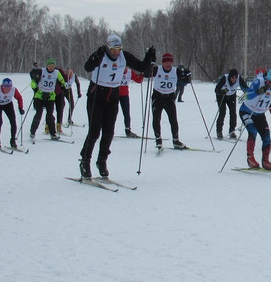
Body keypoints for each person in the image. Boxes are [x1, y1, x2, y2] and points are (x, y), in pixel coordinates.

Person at [80, 35, 154, 178]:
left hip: (113, 96)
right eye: (113, 50)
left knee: (109, 132)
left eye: (118, 49)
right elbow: (88, 67)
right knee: (94, 131)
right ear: (108, 48)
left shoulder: (124, 56)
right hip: (97, 95)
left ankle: (102, 161)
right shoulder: (101, 54)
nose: (116, 53)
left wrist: (148, 57)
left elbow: (141, 67)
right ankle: (85, 161)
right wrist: (95, 58)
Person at [239, 67, 271, 170]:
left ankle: (265, 161)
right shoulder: (258, 82)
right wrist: (257, 92)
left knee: (266, 136)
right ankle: (250, 158)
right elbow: (247, 96)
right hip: (247, 111)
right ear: (268, 80)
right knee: (252, 131)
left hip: (260, 114)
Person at [151, 53, 191, 149]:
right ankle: (158, 140)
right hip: (158, 97)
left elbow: (186, 81)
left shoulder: (175, 71)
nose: (168, 64)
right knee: (156, 119)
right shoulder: (157, 69)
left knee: (173, 120)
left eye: (170, 62)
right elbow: (145, 74)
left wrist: (187, 75)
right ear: (163, 62)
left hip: (169, 98)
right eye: (166, 62)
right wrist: (149, 64)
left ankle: (176, 140)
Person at [29, 57, 67, 140]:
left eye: (53, 66)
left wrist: (63, 86)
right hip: (40, 95)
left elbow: (62, 80)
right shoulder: (41, 71)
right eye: (50, 66)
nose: (51, 67)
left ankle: (53, 134)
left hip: (50, 96)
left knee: (50, 116)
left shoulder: (57, 72)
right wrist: (34, 88)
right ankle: (32, 132)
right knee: (38, 114)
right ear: (47, 65)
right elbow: (33, 81)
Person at [0, 78, 25, 149]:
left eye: (9, 88)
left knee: (13, 121)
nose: (7, 90)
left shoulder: (13, 89)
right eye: (5, 88)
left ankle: (13, 142)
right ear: (2, 86)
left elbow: (19, 98)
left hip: (8, 105)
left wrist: (20, 108)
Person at [214, 69, 245, 140]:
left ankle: (232, 131)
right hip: (221, 96)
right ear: (229, 76)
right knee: (222, 112)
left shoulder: (239, 78)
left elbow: (245, 88)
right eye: (232, 77)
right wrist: (223, 91)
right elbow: (216, 90)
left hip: (231, 96)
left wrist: (249, 94)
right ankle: (219, 132)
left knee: (233, 112)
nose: (234, 79)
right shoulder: (224, 78)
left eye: (235, 77)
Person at [119, 67, 144, 138]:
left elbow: (138, 80)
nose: (125, 68)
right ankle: (109, 130)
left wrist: (142, 74)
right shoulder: (117, 70)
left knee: (126, 113)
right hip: (114, 94)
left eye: (126, 67)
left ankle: (128, 130)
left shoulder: (130, 72)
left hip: (124, 95)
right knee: (112, 114)